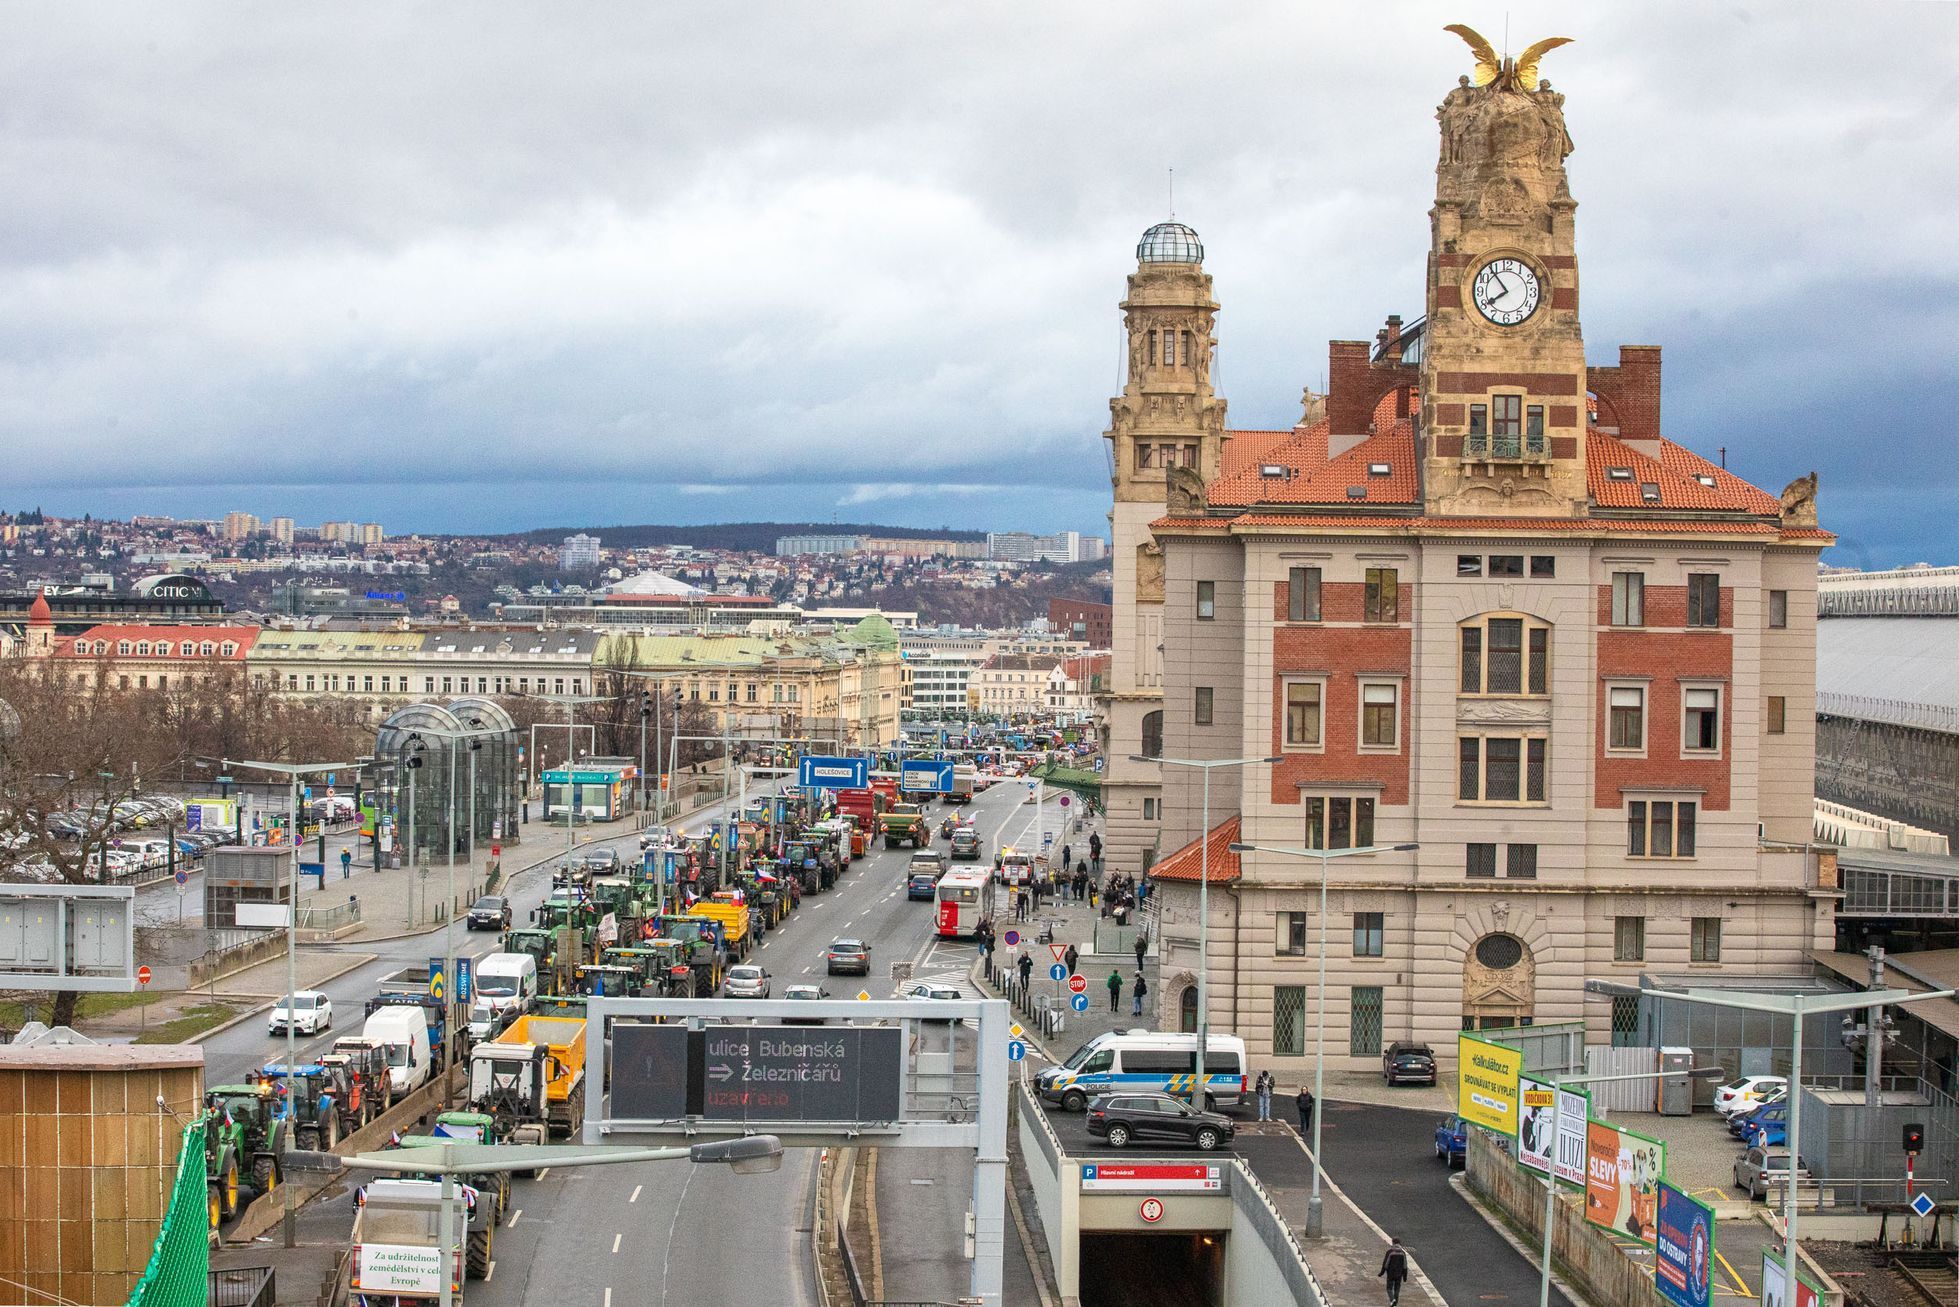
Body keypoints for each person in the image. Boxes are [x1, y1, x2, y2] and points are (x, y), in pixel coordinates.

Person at [1380, 1237, 1408, 1306]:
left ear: (1393, 1242)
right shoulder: (1403, 1253)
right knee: (1397, 1289)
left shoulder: (1389, 1252)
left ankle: (1393, 1300)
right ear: (1399, 1243)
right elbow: (1405, 1266)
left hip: (1390, 1273)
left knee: (1389, 1288)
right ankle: (1395, 1303)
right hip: (1399, 1274)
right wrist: (1405, 1277)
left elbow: (1385, 1264)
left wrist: (1382, 1272)